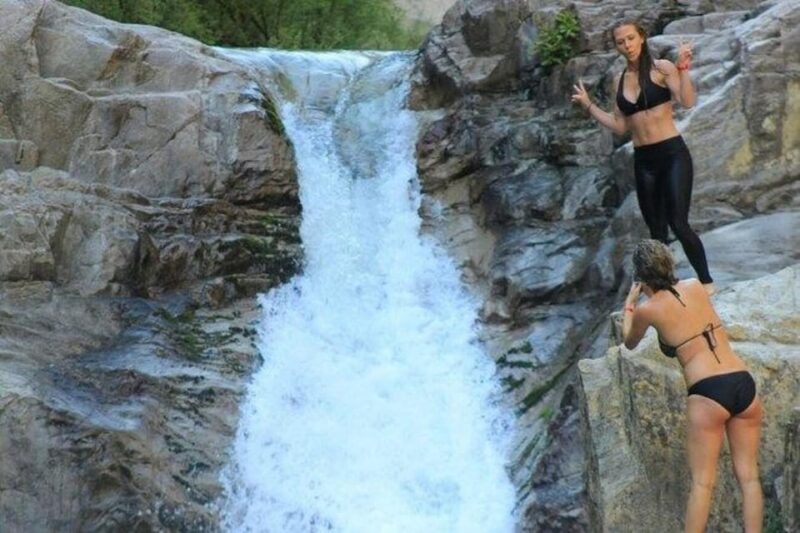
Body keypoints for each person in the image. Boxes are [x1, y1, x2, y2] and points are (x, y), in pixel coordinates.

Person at [622, 239, 763, 533]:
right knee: (749, 478)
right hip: (742, 382)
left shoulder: (648, 310)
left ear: (641, 277)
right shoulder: (696, 286)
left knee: (702, 484)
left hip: (709, 391)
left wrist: (630, 305)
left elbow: (629, 341)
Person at [571, 20, 716, 294]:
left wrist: (683, 67)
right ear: (617, 46)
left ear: (642, 38)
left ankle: (707, 282)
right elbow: (620, 125)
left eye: (631, 38)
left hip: (672, 153)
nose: (627, 45)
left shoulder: (662, 68)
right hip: (644, 160)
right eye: (620, 41)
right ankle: (665, 289)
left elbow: (687, 101)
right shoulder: (620, 79)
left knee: (679, 222)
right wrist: (589, 105)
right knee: (657, 230)